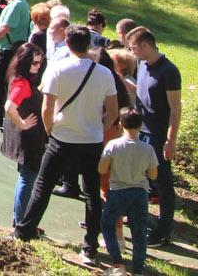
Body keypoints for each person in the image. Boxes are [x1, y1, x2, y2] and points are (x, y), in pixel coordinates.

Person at [14, 25, 120, 268]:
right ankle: (90, 248)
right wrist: (98, 128)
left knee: (43, 185)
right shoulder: (104, 73)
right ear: (89, 45)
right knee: (92, 194)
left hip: (62, 137)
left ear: (68, 44)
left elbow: (46, 107)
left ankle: (23, 231)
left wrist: (51, 130)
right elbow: (113, 111)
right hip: (91, 140)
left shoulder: (58, 68)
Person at [128, 25, 182, 247]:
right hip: (141, 132)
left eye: (133, 48)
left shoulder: (169, 71)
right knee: (136, 177)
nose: (131, 52)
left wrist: (171, 140)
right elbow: (140, 94)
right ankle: (133, 216)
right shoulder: (142, 64)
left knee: (162, 182)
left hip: (159, 136)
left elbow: (175, 109)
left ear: (145, 46)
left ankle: (164, 231)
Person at [100, 107, 161, 274]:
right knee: (139, 233)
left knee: (107, 224)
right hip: (140, 193)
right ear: (140, 126)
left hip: (118, 191)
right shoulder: (147, 149)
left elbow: (101, 168)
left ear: (120, 124)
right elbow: (153, 175)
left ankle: (118, 264)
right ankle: (138, 270)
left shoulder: (113, 145)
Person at [1, 41, 47, 229]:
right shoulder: (22, 83)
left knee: (26, 178)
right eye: (35, 63)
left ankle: (20, 219)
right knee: (27, 179)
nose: (38, 67)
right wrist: (22, 123)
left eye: (40, 63)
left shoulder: (18, 78)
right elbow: (9, 107)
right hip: (29, 138)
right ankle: (21, 222)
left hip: (25, 136)